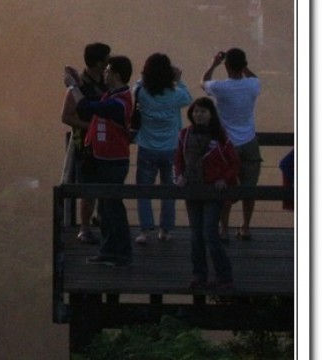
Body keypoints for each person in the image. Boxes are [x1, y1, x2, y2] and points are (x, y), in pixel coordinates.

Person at [67, 55, 136, 266]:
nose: (104, 74)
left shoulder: (120, 103)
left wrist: (72, 88)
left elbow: (88, 107)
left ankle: (122, 254)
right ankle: (108, 251)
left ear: (115, 74)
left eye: (107, 71)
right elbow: (93, 100)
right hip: (103, 159)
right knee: (106, 209)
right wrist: (79, 83)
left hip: (113, 162)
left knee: (113, 208)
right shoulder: (113, 95)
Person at [174, 96, 239, 290]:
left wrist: (224, 178)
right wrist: (179, 175)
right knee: (196, 235)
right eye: (196, 111)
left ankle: (224, 275)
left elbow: (235, 163)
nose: (199, 115)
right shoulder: (184, 135)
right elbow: (178, 159)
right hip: (193, 190)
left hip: (213, 191)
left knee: (209, 232)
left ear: (211, 115)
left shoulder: (221, 137)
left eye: (203, 111)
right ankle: (199, 274)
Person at [201, 47, 262, 239]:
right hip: (250, 142)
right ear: (243, 65)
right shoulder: (253, 85)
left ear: (226, 66)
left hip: (228, 145)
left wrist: (214, 63)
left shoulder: (221, 87)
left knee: (226, 187)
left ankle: (224, 230)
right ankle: (245, 227)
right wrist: (244, 67)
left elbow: (203, 82)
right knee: (249, 188)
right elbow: (254, 78)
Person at [132, 53, 191, 244]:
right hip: (171, 150)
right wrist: (179, 80)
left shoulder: (142, 93)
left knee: (144, 190)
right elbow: (188, 98)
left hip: (147, 148)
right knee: (169, 190)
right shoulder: (177, 95)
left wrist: (145, 75)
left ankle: (145, 231)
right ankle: (166, 230)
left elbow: (136, 86)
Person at [62, 42, 112, 241]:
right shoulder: (78, 86)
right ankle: (84, 228)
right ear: (99, 63)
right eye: (107, 59)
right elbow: (66, 117)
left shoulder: (107, 83)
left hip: (107, 144)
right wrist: (91, 127)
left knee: (106, 183)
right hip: (85, 145)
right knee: (88, 187)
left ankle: (101, 218)